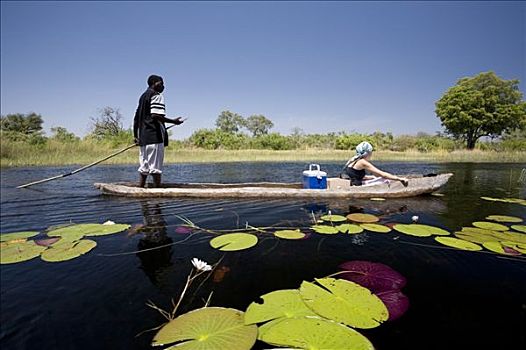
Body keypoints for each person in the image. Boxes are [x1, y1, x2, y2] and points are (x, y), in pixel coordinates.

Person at [133, 75, 185, 188]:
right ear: (155, 83)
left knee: (144, 167)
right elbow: (156, 115)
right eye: (161, 83)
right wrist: (173, 121)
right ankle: (158, 195)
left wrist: (136, 136)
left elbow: (136, 118)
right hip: (154, 137)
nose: (163, 86)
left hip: (143, 138)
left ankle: (141, 190)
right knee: (155, 168)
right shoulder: (156, 95)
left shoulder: (142, 97)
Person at [341, 141, 409, 186]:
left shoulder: (353, 160)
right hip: (358, 186)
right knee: (386, 179)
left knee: (378, 178)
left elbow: (355, 176)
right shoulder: (363, 162)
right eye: (371, 152)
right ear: (368, 152)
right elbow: (382, 174)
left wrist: (371, 177)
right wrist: (400, 179)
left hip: (354, 184)